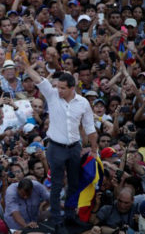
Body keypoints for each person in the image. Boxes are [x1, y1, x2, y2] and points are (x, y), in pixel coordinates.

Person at [25, 67, 98, 233]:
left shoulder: (83, 103)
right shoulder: (52, 95)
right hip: (56, 148)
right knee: (57, 185)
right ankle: (57, 221)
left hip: (74, 148)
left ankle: (71, 217)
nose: (59, 90)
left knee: (74, 183)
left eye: (63, 88)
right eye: (58, 86)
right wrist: (26, 66)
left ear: (72, 88)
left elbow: (90, 127)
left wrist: (94, 149)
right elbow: (39, 80)